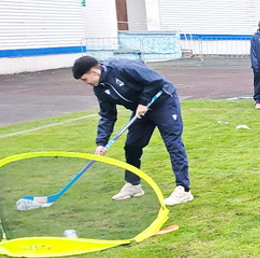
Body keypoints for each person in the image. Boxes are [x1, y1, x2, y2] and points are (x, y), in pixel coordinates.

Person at [72, 55, 193, 206]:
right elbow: (107, 116)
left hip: (163, 102)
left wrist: (143, 102)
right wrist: (101, 143)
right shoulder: (100, 89)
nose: (86, 83)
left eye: (85, 79)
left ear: (93, 71)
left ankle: (183, 189)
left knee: (173, 143)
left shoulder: (123, 67)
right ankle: (133, 185)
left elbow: (156, 80)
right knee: (132, 145)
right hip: (141, 111)